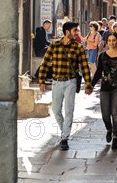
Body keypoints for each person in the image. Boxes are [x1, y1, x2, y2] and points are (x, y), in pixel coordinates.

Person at [38, 21, 92, 151]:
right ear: (67, 32)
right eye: (75, 31)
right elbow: (45, 64)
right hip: (56, 82)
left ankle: (64, 138)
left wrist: (88, 84)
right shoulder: (54, 46)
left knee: (69, 110)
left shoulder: (78, 48)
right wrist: (41, 81)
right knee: (56, 110)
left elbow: (84, 67)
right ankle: (65, 131)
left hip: (70, 82)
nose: (77, 33)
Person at [91, 32, 117, 150]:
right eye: (109, 40)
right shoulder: (102, 56)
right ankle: (109, 129)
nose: (111, 43)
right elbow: (99, 72)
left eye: (114, 40)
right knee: (105, 115)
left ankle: (115, 136)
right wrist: (91, 85)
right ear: (107, 42)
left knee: (115, 113)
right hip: (105, 87)